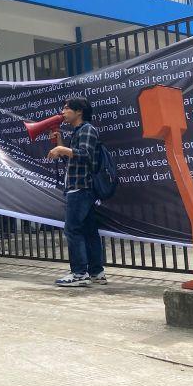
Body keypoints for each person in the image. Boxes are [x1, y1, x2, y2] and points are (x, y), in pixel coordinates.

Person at [47, 96, 106, 287]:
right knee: (89, 231)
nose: (63, 112)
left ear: (79, 111)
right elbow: (73, 161)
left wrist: (63, 149)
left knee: (72, 230)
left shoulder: (87, 129)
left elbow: (86, 155)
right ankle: (96, 272)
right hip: (80, 187)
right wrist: (60, 143)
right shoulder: (79, 131)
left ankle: (79, 274)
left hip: (81, 188)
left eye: (66, 108)